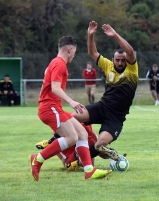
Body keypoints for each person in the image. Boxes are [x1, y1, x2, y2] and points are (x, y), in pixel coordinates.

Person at [29, 35, 111, 181]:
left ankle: (89, 171)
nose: (74, 54)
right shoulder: (59, 63)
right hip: (50, 108)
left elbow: (47, 87)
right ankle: (38, 159)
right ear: (69, 49)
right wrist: (71, 102)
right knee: (72, 137)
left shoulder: (55, 63)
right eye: (74, 51)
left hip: (53, 107)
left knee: (81, 133)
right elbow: (55, 88)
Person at [68, 21, 138, 163]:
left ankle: (82, 159)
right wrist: (90, 35)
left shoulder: (132, 70)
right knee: (69, 118)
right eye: (117, 60)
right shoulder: (108, 66)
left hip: (116, 118)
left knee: (100, 144)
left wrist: (115, 35)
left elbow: (130, 52)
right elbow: (92, 52)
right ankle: (59, 144)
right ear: (112, 60)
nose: (120, 63)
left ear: (127, 61)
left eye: (122, 61)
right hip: (101, 107)